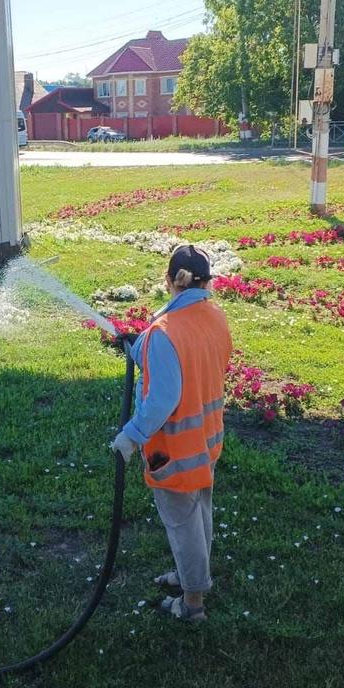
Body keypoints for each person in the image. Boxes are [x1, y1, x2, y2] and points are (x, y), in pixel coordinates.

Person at [113, 244, 233, 623]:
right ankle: (189, 576)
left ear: (169, 281)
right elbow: (191, 358)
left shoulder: (165, 333)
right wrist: (139, 347)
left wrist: (131, 437)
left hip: (175, 452)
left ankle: (193, 601)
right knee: (200, 514)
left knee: (183, 526)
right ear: (205, 281)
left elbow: (163, 398)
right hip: (207, 441)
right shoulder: (213, 317)